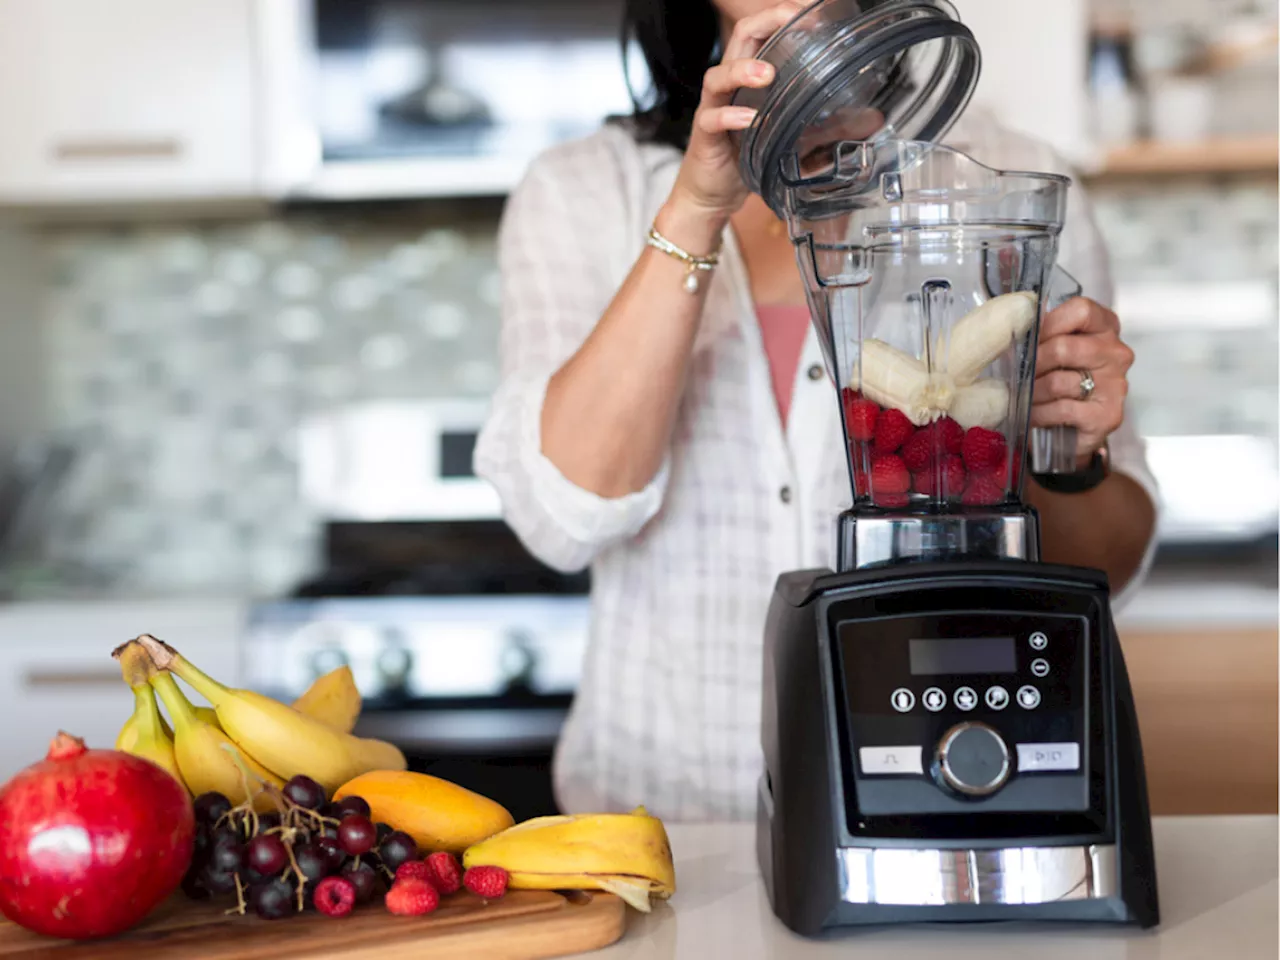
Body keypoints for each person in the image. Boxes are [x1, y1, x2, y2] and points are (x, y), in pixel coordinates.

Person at [475, 0, 1159, 821]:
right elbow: (565, 518)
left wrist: (1067, 455)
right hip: (661, 827)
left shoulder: (1009, 186)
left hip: (944, 805)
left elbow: (1106, 567)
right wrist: (697, 205)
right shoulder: (585, 192)